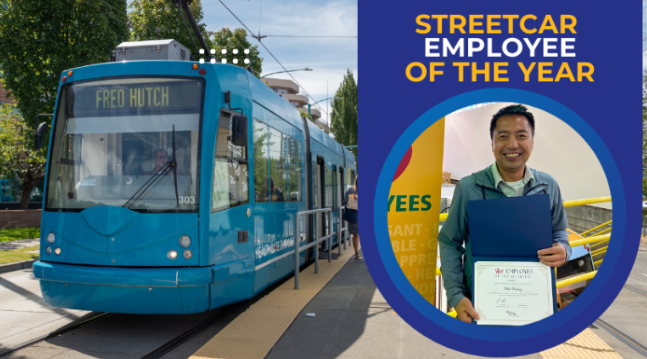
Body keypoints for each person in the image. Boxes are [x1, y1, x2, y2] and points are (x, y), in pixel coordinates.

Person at [438, 104, 571, 324]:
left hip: (535, 306)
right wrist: (456, 295)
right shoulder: (469, 187)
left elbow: (558, 230)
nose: (512, 145)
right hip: (480, 306)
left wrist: (564, 249)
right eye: (503, 136)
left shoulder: (548, 186)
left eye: (521, 136)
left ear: (532, 142)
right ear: (492, 143)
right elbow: (450, 241)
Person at [343, 177, 360, 260]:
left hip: (357, 215)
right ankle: (356, 253)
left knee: (357, 235)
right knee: (356, 234)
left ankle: (358, 253)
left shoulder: (350, 189)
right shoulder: (351, 190)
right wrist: (352, 198)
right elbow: (345, 201)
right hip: (354, 215)